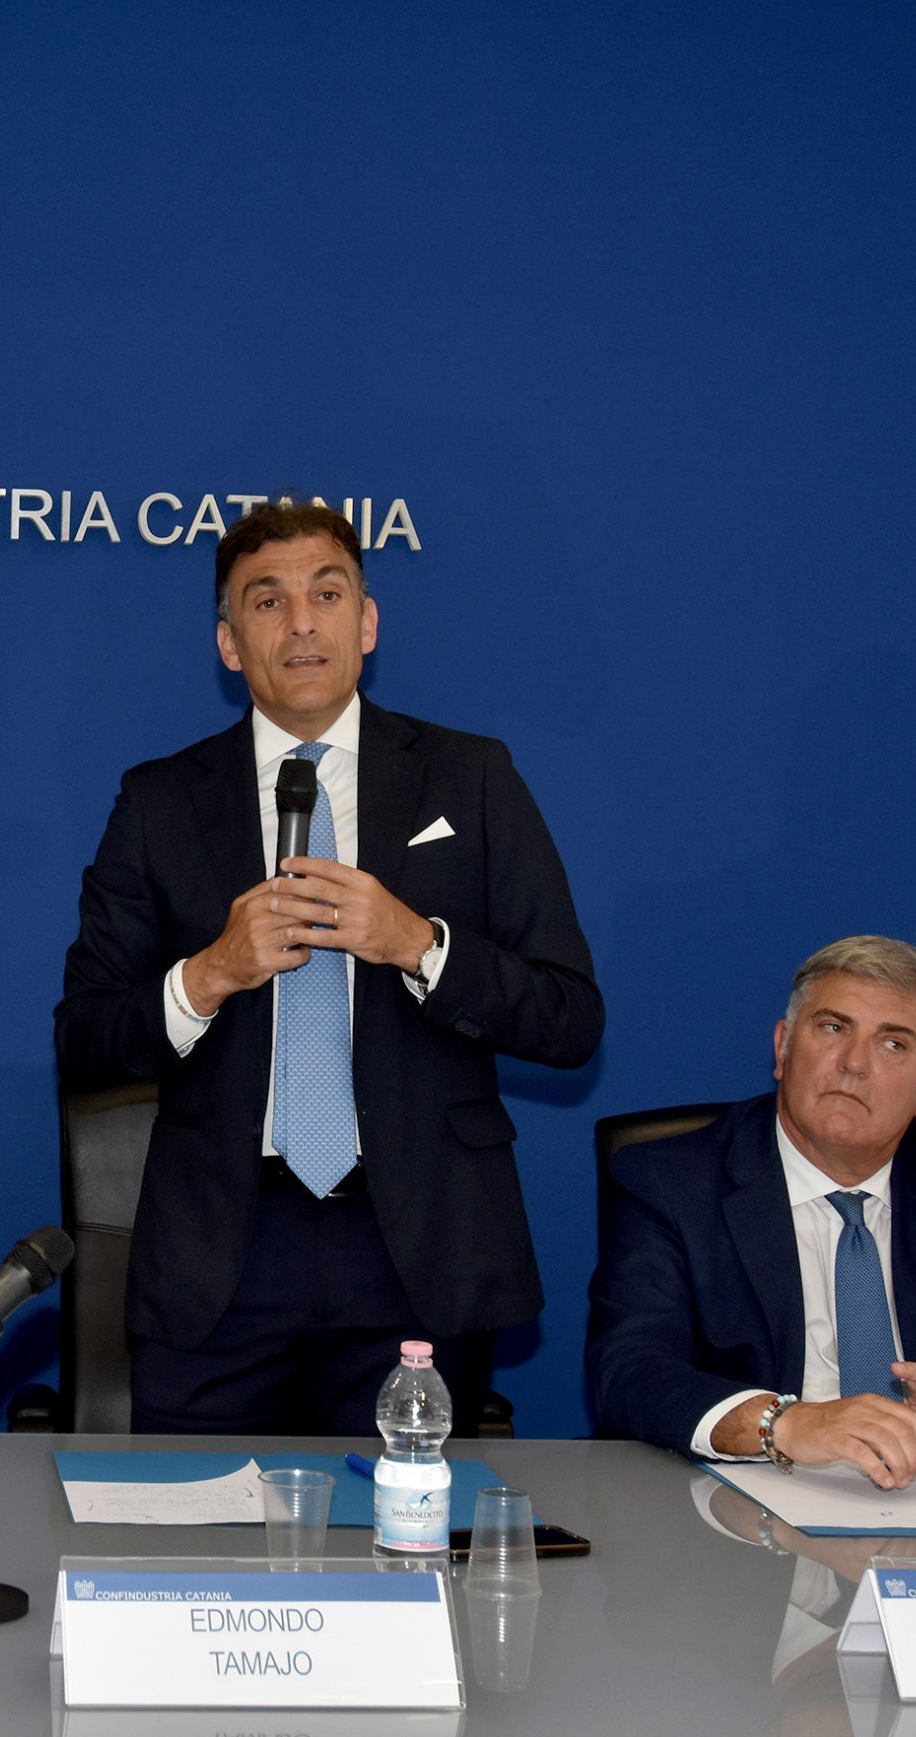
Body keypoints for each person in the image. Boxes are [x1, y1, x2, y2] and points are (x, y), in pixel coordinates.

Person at [55, 501, 603, 1434]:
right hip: (225, 1249)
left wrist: (417, 944)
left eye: (328, 593)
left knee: (399, 1521)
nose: (301, 623)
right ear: (230, 644)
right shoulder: (159, 801)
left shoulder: (470, 777)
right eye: (267, 601)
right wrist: (209, 974)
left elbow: (569, 1017)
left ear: (368, 622)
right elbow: (84, 1037)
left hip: (415, 1243)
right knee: (193, 1523)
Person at [585, 935, 916, 1486]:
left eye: (893, 1044)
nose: (854, 1063)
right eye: (834, 1028)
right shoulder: (670, 1181)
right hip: (734, 1497)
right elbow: (631, 1370)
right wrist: (784, 1424)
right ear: (783, 1049)